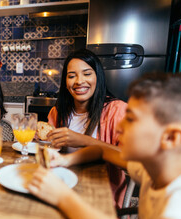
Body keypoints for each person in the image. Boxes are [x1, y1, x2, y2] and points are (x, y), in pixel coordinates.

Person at [28, 73, 181, 219]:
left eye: (130, 119)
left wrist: (63, 197)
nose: (119, 128)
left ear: (171, 137)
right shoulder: (150, 170)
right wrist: (65, 160)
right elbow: (102, 150)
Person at [45, 48, 127, 208]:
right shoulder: (58, 112)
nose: (79, 81)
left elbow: (129, 161)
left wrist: (83, 140)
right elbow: (49, 148)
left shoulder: (116, 110)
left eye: (87, 73)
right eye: (71, 76)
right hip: (61, 187)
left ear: (98, 77)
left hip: (98, 196)